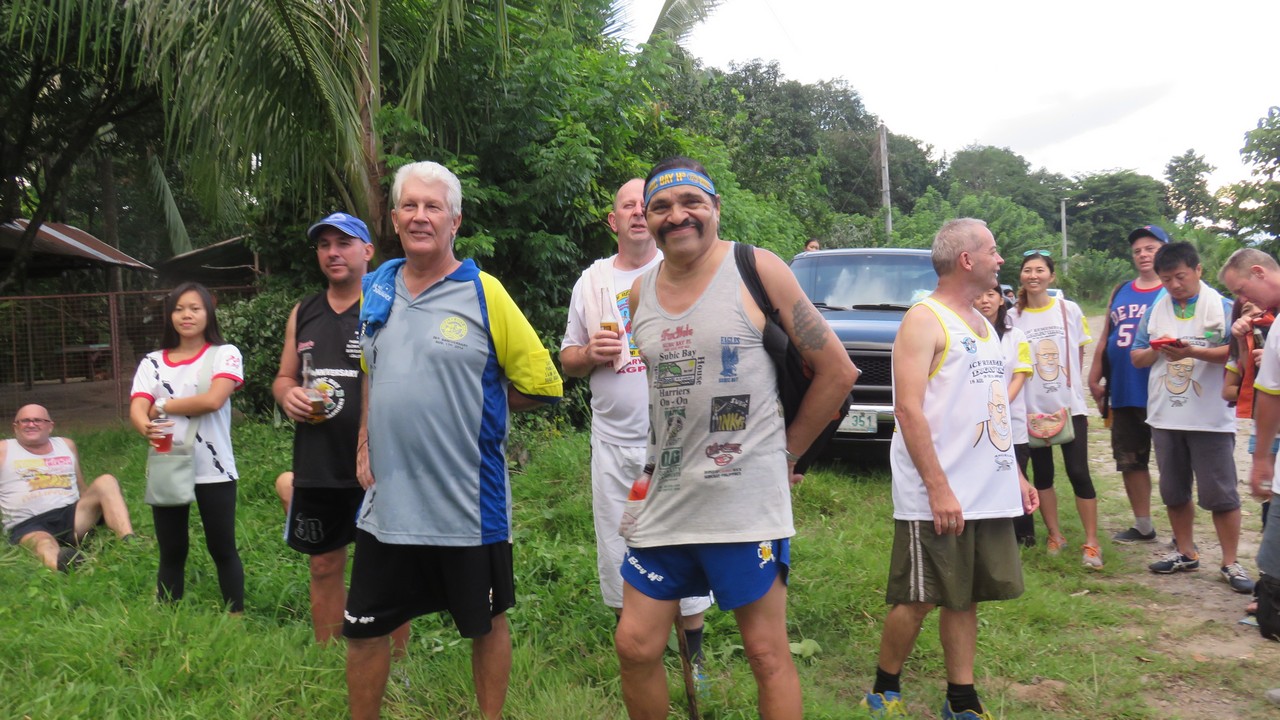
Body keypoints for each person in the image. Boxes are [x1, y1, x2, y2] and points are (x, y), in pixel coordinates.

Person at [617, 157, 856, 720]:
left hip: (744, 502)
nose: (677, 216)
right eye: (661, 206)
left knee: (766, 655)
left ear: (716, 208)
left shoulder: (756, 267)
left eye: (691, 202)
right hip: (666, 497)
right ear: (647, 218)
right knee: (635, 646)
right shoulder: (638, 294)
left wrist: (787, 453)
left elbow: (838, 371)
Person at [344, 161, 562, 720]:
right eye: (410, 206)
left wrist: (475, 399)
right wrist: (364, 438)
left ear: (455, 221)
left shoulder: (485, 293)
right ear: (395, 219)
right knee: (364, 630)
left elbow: (543, 384)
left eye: (433, 207)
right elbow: (370, 369)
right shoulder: (376, 288)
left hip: (467, 503)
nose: (421, 216)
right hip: (389, 502)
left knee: (485, 623)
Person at [863, 218, 1038, 720]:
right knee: (919, 597)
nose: (1000, 260)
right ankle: (884, 688)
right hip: (937, 493)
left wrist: (1015, 475)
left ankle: (961, 700)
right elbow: (907, 410)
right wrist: (938, 489)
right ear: (966, 259)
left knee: (966, 597)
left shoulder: (983, 324)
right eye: (993, 250)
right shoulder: (924, 320)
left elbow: (992, 408)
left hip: (984, 491)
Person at [558, 180, 712, 666]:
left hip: (676, 441)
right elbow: (567, 359)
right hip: (612, 442)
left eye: (645, 206)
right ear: (614, 220)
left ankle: (693, 659)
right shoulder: (592, 282)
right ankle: (638, 652)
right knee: (617, 546)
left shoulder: (682, 270)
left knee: (683, 542)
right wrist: (588, 353)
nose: (639, 214)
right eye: (628, 206)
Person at [271, 211, 411, 648]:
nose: (333, 252)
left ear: (367, 251)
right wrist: (288, 395)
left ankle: (398, 663)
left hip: (379, 463)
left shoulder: (388, 306)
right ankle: (327, 656)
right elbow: (284, 377)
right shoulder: (304, 311)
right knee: (323, 566)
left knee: (388, 568)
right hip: (318, 462)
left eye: (344, 243)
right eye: (324, 245)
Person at [1132, 242, 1253, 593]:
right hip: (1165, 415)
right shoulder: (1155, 311)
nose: (1174, 285)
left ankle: (1230, 561)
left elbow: (1237, 354)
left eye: (1180, 276)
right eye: (1166, 279)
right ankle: (1185, 552)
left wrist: (1193, 351)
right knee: (1173, 490)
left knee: (1221, 494)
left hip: (1210, 418)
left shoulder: (1225, 307)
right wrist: (1158, 351)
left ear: (1198, 270)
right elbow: (1136, 356)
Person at [129, 282, 245, 612]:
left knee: (222, 547)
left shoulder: (225, 354)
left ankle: (236, 615)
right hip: (167, 461)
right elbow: (138, 407)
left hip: (215, 466)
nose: (186, 315)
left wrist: (161, 405)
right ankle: (168, 614)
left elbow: (213, 400)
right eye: (179, 309)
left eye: (195, 308)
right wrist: (144, 425)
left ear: (209, 313)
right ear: (169, 316)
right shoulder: (152, 362)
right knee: (171, 548)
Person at [1008, 251, 1101, 568]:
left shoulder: (1068, 309)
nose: (1033, 276)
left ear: (1051, 276)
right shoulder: (1013, 316)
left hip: (1070, 406)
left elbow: (1079, 352)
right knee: (1043, 475)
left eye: (1039, 270)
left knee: (1079, 472)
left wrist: (1068, 386)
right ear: (1021, 276)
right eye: (1027, 270)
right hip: (1032, 409)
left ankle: (1092, 543)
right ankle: (1054, 535)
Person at [1088, 225, 1168, 544]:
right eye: (1137, 250)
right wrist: (1095, 376)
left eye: (1150, 248)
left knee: (1173, 463)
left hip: (1162, 390)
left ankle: (1182, 533)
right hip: (1123, 388)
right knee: (1130, 460)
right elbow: (1106, 335)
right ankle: (1143, 525)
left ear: (1165, 250)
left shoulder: (1172, 288)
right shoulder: (1121, 289)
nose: (1143, 255)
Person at [2, 404, 134, 571]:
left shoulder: (66, 445)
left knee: (106, 481)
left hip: (71, 515)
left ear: (50, 426)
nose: (31, 424)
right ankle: (67, 564)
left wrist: (98, 507)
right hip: (29, 523)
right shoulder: (4, 449)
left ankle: (129, 542)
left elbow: (81, 486)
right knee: (43, 542)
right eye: (25, 421)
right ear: (15, 427)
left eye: (38, 420)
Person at [974, 281, 1035, 545]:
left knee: (1016, 472)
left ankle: (1024, 533)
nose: (985, 300)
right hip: (978, 419)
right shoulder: (968, 336)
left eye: (991, 294)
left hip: (1012, 419)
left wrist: (998, 405)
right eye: (979, 295)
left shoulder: (1016, 336)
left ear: (1001, 300)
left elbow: (1020, 375)